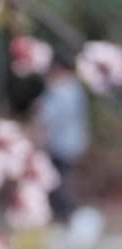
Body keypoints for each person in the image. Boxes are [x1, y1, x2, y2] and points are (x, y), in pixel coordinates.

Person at [34, 63, 90, 222]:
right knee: (60, 180)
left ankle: (65, 215)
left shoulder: (63, 90)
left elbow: (50, 116)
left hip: (62, 143)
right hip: (68, 142)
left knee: (59, 181)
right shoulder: (73, 89)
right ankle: (63, 214)